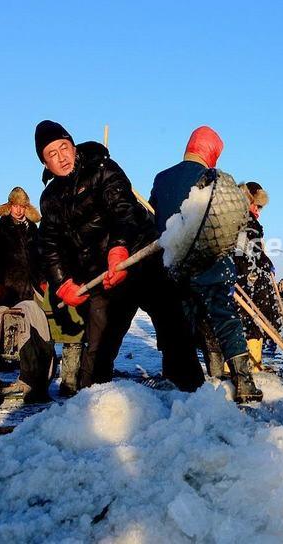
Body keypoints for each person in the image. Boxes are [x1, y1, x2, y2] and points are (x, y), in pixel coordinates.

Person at [36, 120, 204, 393]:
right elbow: (49, 245)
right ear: (45, 164)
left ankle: (191, 399)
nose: (61, 157)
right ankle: (90, 406)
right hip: (103, 277)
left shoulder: (103, 169)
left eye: (63, 147)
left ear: (73, 146)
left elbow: (124, 211)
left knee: (174, 329)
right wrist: (62, 283)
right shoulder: (50, 199)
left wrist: (119, 248)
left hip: (141, 261)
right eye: (51, 155)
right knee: (98, 347)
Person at [150, 126, 262, 403]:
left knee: (181, 323)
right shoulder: (213, 178)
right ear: (212, 152)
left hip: (175, 264)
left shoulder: (162, 178)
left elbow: (155, 219)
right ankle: (244, 382)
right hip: (212, 262)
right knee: (224, 318)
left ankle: (184, 385)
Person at [0, 188, 55, 402]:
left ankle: (32, 378)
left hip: (28, 287)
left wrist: (42, 279)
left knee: (31, 329)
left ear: (26, 208)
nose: (18, 210)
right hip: (5, 287)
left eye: (22, 206)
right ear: (9, 206)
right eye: (15, 205)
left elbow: (40, 257)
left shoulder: (33, 229)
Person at [234, 181, 279, 371]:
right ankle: (250, 365)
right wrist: (263, 261)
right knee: (253, 320)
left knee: (247, 321)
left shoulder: (239, 221)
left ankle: (249, 363)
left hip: (244, 278)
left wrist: (264, 259)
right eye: (257, 206)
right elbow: (244, 253)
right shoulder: (246, 223)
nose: (259, 211)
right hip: (247, 280)